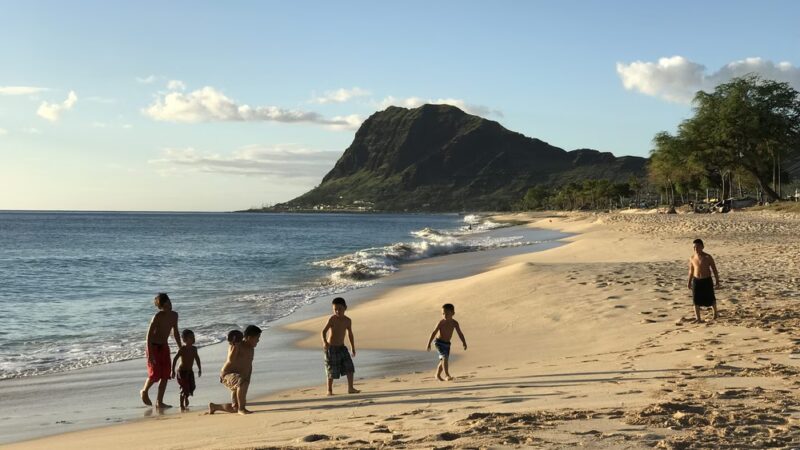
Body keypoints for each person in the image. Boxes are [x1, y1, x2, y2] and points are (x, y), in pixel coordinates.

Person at [209, 325, 261, 415]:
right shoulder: (236, 345)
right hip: (227, 375)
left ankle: (214, 407)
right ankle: (242, 409)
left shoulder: (251, 349)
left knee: (234, 408)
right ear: (249, 338)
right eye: (257, 338)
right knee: (242, 382)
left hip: (239, 378)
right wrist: (235, 346)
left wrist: (247, 379)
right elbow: (231, 360)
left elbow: (248, 365)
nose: (258, 340)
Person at [140, 293, 181, 409]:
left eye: (170, 303)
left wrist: (180, 347)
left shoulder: (174, 315)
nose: (169, 306)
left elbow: (175, 332)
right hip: (153, 347)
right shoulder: (157, 317)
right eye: (166, 305)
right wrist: (150, 354)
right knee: (155, 374)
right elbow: (148, 336)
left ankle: (159, 401)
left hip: (164, 347)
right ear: (161, 307)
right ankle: (144, 391)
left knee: (165, 375)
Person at [321, 297, 359, 395]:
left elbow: (350, 334)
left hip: (342, 347)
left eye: (340, 309)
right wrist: (325, 342)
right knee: (331, 370)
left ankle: (350, 388)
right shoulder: (332, 319)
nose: (337, 311)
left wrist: (352, 347)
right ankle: (329, 390)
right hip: (331, 348)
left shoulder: (348, 321)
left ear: (345, 308)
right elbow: (323, 332)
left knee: (349, 367)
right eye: (335, 309)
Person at [426, 303, 467, 381]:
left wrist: (464, 342)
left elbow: (460, 333)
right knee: (444, 357)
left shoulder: (455, 323)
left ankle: (437, 375)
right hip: (439, 343)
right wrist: (429, 344)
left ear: (453, 313)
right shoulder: (441, 322)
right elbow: (434, 332)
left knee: (444, 359)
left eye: (447, 314)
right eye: (443, 314)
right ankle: (447, 375)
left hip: (447, 344)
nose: (444, 315)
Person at [688, 239, 720, 323]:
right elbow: (691, 271)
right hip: (696, 280)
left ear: (702, 247)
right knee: (695, 299)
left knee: (711, 297)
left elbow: (714, 269)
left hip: (707, 280)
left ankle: (715, 314)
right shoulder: (692, 258)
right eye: (694, 247)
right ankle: (698, 318)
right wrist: (689, 282)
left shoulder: (707, 257)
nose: (696, 249)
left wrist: (717, 280)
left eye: (698, 247)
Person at [171, 329, 202, 411]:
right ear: (184, 339)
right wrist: (172, 371)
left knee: (192, 387)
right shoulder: (182, 349)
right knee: (184, 388)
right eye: (191, 337)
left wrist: (199, 368)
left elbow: (197, 358)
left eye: (193, 337)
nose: (193, 339)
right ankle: (181, 405)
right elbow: (175, 359)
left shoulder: (194, 349)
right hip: (181, 372)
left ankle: (186, 397)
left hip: (189, 371)